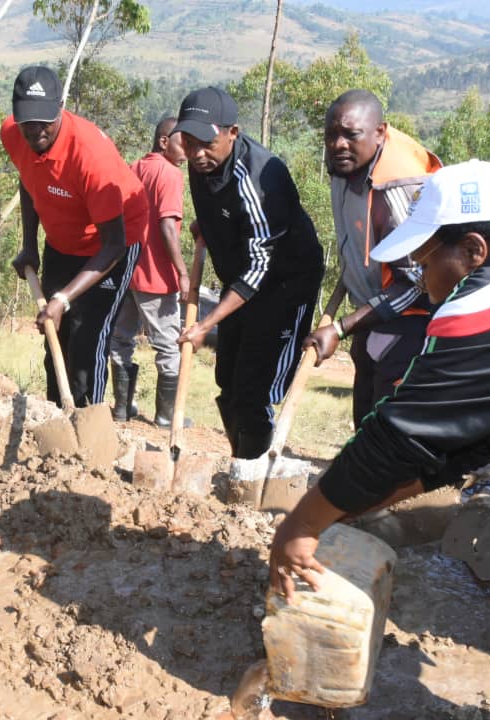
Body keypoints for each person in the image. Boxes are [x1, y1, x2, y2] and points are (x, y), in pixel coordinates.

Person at [270, 160, 490, 720]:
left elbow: (397, 436)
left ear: (474, 252)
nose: (419, 276)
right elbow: (472, 439)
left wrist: (299, 528)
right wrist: (354, 507)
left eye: (424, 259)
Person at [173, 87, 323, 488]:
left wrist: (207, 324)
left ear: (233, 132)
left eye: (205, 142)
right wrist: (210, 227)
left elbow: (260, 265)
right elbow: (222, 211)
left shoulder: (258, 181)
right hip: (240, 280)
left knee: (255, 389)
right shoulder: (198, 162)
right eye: (187, 142)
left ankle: (256, 482)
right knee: (228, 381)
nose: (196, 152)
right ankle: (244, 461)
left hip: (283, 282)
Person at [2, 65, 148, 408]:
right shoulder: (12, 133)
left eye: (45, 120)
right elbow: (29, 180)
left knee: (88, 336)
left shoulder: (91, 157)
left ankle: (88, 421)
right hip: (61, 238)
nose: (36, 130)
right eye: (28, 121)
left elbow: (113, 243)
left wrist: (63, 298)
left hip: (114, 242)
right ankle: (57, 413)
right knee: (56, 331)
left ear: (61, 106)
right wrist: (29, 245)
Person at [304, 89, 441, 428]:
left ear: (380, 132)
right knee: (364, 416)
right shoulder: (347, 161)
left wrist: (340, 327)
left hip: (411, 320)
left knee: (387, 423)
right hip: (373, 310)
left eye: (351, 135)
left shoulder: (398, 190)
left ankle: (480, 480)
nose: (338, 144)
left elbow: (417, 284)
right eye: (331, 135)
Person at [109, 116, 190, 426]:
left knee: (121, 340)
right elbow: (167, 226)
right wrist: (182, 272)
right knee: (168, 345)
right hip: (156, 275)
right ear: (164, 142)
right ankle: (166, 416)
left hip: (128, 269)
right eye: (184, 143)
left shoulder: (135, 167)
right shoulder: (169, 174)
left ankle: (121, 408)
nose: (188, 151)